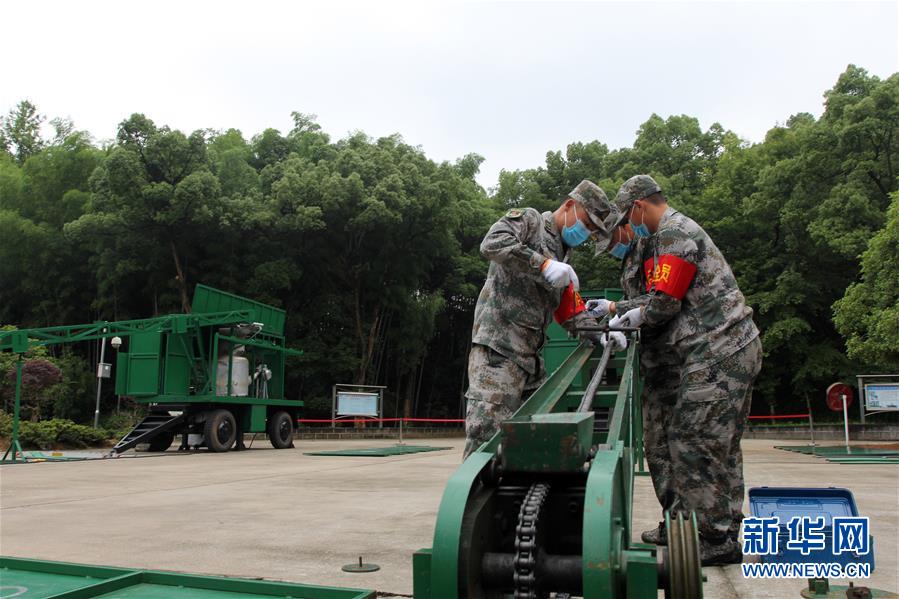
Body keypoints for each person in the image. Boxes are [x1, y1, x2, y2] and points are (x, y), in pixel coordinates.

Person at [602, 174, 762, 566]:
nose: (629, 227)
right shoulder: (662, 238)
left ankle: (713, 536)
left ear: (638, 206)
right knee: (705, 440)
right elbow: (656, 299)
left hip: (720, 347)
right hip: (710, 349)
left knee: (696, 439)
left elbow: (663, 303)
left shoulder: (674, 232)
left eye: (627, 218)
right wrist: (623, 312)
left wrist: (617, 314)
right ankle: (691, 523)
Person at [463, 180, 615, 459]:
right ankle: (472, 499)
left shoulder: (563, 258)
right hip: (498, 355)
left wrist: (601, 333)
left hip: (531, 363)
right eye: (587, 223)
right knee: (486, 441)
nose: (587, 233)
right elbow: (492, 243)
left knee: (534, 441)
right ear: (570, 206)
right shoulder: (531, 221)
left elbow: (570, 311)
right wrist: (542, 264)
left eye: (593, 231)